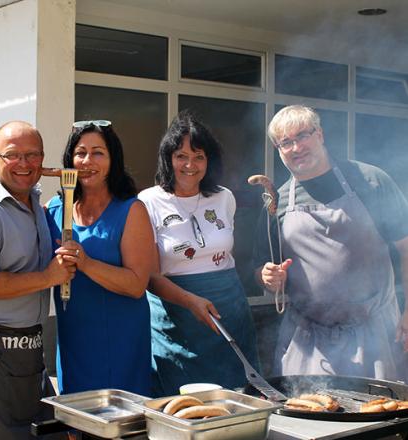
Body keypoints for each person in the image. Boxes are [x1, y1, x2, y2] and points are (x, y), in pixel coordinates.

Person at [254, 105, 408, 381]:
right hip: (309, 342)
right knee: (308, 417)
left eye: (302, 136)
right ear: (279, 150)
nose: (296, 147)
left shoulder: (370, 181)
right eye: (286, 142)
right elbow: (262, 269)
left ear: (320, 135)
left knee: (384, 417)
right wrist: (268, 277)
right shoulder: (277, 203)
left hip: (376, 334)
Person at [0, 121, 76, 439]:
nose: (24, 164)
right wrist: (48, 277)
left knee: (40, 432)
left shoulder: (34, 203)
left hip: (29, 345)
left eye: (32, 155)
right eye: (12, 155)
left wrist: (60, 176)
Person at [138, 111, 260, 396]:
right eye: (181, 156)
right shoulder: (148, 201)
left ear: (209, 160)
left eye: (199, 156)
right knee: (181, 402)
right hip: (176, 313)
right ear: (168, 158)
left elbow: (225, 252)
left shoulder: (224, 197)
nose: (190, 165)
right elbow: (149, 275)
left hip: (229, 312)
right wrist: (190, 301)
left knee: (234, 398)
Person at [45, 120, 155, 396]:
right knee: (75, 422)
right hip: (73, 338)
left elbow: (136, 284)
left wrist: (86, 263)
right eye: (80, 153)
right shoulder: (54, 208)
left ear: (113, 159)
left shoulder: (131, 210)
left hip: (121, 340)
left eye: (98, 153)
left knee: (119, 423)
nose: (87, 161)